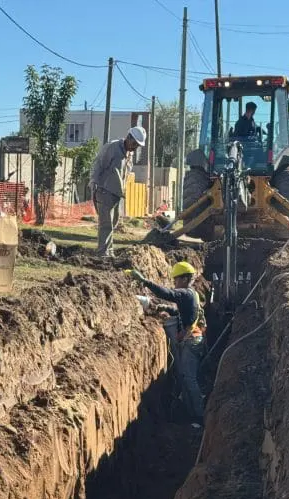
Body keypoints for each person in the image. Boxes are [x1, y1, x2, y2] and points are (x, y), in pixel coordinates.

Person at [129, 261, 206, 426]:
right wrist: (167, 309)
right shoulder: (191, 294)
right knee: (185, 377)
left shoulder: (185, 292)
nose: (175, 283)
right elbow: (185, 313)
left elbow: (168, 293)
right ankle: (191, 409)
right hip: (193, 340)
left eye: (177, 279)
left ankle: (199, 416)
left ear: (185, 279)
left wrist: (145, 282)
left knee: (188, 378)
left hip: (192, 341)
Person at [89, 126, 146, 257]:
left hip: (117, 194)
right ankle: (102, 253)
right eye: (134, 143)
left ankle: (109, 251)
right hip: (104, 191)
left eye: (138, 145)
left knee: (113, 223)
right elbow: (98, 164)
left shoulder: (129, 154)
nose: (135, 147)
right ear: (129, 137)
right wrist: (93, 181)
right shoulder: (112, 148)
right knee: (106, 224)